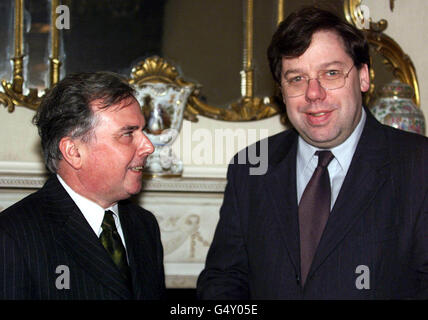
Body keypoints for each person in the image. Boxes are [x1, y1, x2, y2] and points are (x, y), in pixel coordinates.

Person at [197, 7, 428, 299]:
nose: (313, 93)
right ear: (281, 90)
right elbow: (223, 280)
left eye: (331, 73)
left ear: (363, 78)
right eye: (297, 79)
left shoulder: (418, 166)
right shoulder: (251, 166)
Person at [0, 71, 166, 299]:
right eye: (128, 134)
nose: (148, 146)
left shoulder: (144, 226)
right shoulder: (13, 237)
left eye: (142, 131)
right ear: (74, 152)